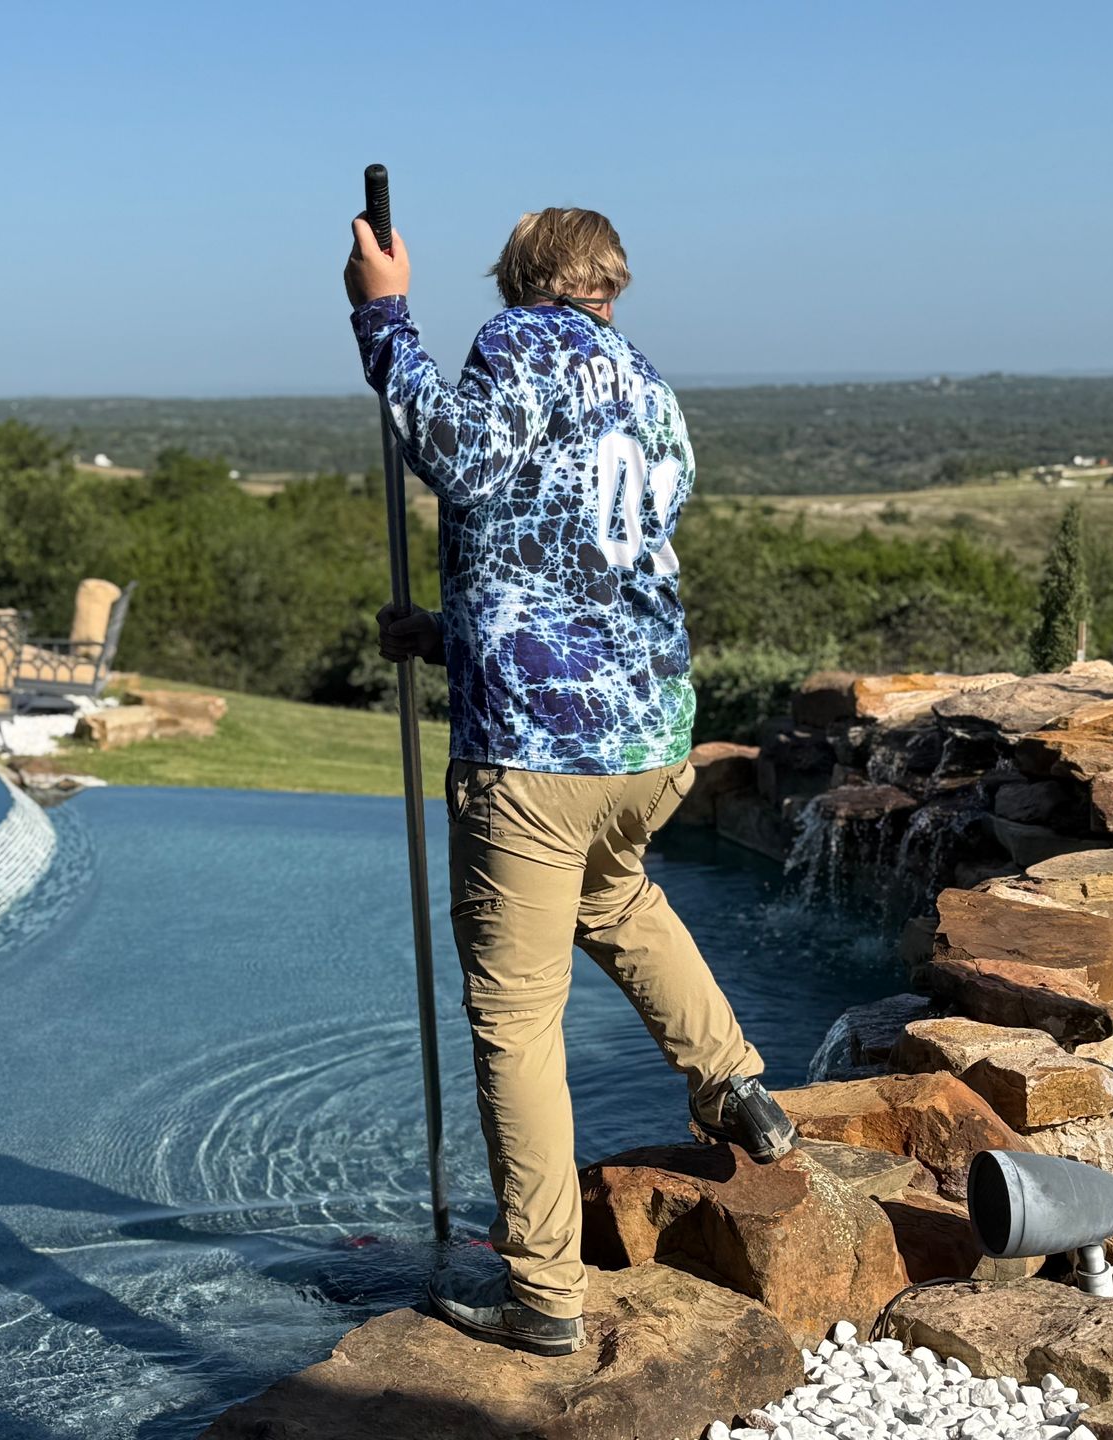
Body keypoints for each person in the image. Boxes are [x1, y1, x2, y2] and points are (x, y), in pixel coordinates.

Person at [345, 205, 797, 1358]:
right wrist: (448, 632)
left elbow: (458, 457)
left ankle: (546, 1293)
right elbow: (581, 562)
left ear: (522, 277)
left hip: (537, 757)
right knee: (618, 896)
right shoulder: (648, 385)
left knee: (515, 1021)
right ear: (609, 282)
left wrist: (384, 313)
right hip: (650, 740)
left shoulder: (519, 340)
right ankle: (736, 1087)